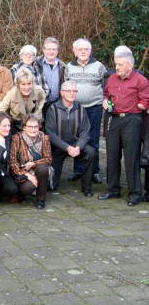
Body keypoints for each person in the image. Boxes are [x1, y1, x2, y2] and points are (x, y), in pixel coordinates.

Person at [99, 46, 149, 206]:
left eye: (120, 65)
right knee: (112, 156)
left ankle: (135, 192)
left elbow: (145, 100)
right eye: (116, 64)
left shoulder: (141, 80)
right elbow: (106, 93)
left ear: (130, 66)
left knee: (131, 157)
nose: (117, 67)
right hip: (113, 119)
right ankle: (113, 189)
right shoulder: (112, 78)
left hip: (131, 120)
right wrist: (105, 101)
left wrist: (140, 105)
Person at [65, 38, 107, 184]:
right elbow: (66, 86)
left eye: (86, 49)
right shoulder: (69, 67)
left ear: (90, 51)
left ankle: (94, 171)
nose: (83, 52)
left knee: (93, 140)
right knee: (77, 140)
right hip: (76, 109)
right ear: (75, 52)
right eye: (80, 49)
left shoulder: (99, 66)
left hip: (94, 108)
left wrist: (104, 100)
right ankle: (79, 170)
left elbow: (106, 86)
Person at [45, 81, 96, 196]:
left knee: (91, 152)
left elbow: (85, 132)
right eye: (68, 91)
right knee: (51, 187)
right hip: (58, 148)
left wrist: (78, 146)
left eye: (74, 91)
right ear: (62, 93)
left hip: (75, 145)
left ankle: (87, 187)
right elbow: (50, 134)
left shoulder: (81, 109)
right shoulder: (52, 109)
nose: (72, 93)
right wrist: (67, 147)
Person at [0, 68, 45, 135]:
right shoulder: (11, 94)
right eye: (23, 84)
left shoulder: (39, 92)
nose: (27, 87)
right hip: (16, 126)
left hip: (33, 124)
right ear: (18, 85)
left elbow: (39, 111)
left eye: (29, 84)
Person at [9, 114, 52, 209]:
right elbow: (12, 161)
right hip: (22, 171)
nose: (33, 129)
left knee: (43, 168)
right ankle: (21, 193)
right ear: (24, 127)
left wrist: (33, 163)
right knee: (28, 188)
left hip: (38, 170)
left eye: (36, 126)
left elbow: (48, 158)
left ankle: (41, 199)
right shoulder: (17, 138)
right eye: (30, 127)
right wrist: (28, 175)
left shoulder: (44, 138)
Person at [37, 37, 66, 118]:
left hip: (56, 104)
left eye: (54, 49)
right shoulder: (36, 63)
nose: (51, 52)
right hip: (39, 105)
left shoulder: (62, 66)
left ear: (57, 51)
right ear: (43, 50)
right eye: (49, 49)